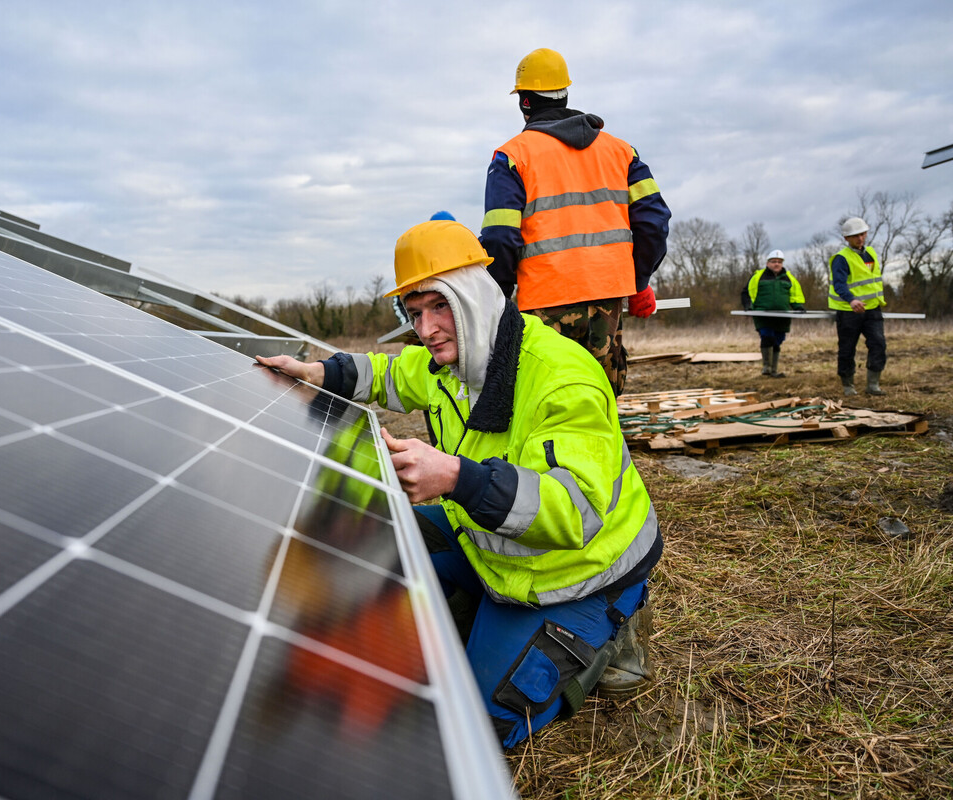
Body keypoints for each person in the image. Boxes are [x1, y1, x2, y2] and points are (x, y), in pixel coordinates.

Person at [256, 219, 663, 749]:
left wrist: (455, 478)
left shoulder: (562, 375)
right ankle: (471, 607)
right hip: (493, 553)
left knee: (474, 726)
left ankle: (611, 634)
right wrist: (318, 373)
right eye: (414, 312)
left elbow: (574, 511)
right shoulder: (444, 363)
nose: (425, 329)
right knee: (378, 529)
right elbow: (385, 374)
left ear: (473, 295)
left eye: (439, 305)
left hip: (576, 575)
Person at [479, 48, 671, 397]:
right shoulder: (621, 151)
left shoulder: (512, 157)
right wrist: (638, 280)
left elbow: (499, 237)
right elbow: (654, 221)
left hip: (542, 303)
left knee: (549, 400)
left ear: (524, 102)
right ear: (565, 93)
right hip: (608, 298)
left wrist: (500, 299)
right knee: (600, 400)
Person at [828, 217, 886, 396]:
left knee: (878, 344)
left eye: (862, 234)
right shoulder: (841, 259)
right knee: (847, 348)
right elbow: (839, 285)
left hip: (872, 308)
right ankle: (848, 386)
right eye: (855, 236)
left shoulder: (871, 253)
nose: (860, 239)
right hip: (849, 311)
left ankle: (873, 385)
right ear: (846, 238)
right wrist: (851, 300)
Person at [741, 249, 806, 377]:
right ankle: (766, 367)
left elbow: (795, 296)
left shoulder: (789, 278)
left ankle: (774, 371)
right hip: (762, 314)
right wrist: (748, 307)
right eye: (773, 261)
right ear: (768, 263)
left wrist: (798, 307)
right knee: (767, 336)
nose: (776, 264)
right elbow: (746, 293)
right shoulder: (758, 277)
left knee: (778, 340)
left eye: (779, 262)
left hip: (782, 316)